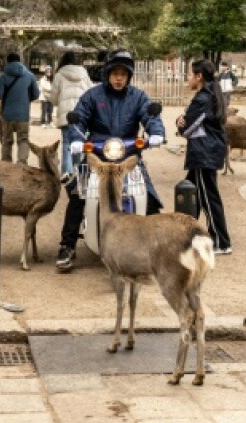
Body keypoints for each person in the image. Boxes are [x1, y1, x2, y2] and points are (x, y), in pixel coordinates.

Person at [56, 50, 165, 273]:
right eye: (115, 73)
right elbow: (80, 117)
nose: (118, 78)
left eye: (123, 74)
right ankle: (67, 246)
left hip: (129, 157)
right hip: (96, 156)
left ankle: (156, 249)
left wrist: (156, 133)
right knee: (78, 194)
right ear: (107, 74)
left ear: (129, 76)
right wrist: (76, 138)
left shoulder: (138, 97)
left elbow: (150, 116)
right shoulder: (92, 95)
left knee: (151, 197)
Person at [176, 59, 232, 255]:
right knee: (191, 196)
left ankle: (221, 242)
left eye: (190, 74)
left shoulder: (202, 98)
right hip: (207, 151)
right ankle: (187, 235)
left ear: (199, 77)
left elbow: (187, 128)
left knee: (208, 198)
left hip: (204, 152)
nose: (188, 78)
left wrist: (180, 123)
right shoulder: (210, 94)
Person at [48, 51, 94, 181]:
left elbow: (54, 97)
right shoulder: (84, 74)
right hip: (82, 114)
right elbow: (91, 92)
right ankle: (78, 170)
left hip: (66, 114)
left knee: (67, 143)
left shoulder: (59, 75)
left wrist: (59, 102)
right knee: (80, 142)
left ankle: (67, 172)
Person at [0, 52, 40, 164]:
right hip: (23, 115)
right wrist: (26, 99)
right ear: (20, 61)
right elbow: (36, 94)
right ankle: (22, 163)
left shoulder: (3, 77)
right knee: (23, 140)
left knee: (7, 141)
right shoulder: (30, 76)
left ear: (8, 62)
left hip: (7, 115)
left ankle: (6, 163)